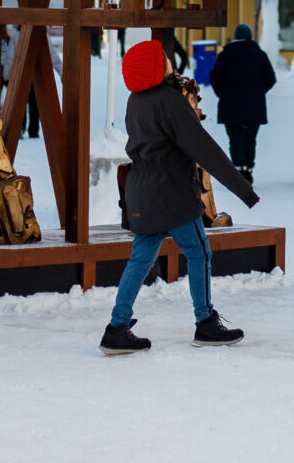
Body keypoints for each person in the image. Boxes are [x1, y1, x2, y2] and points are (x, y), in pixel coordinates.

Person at [100, 39, 258, 356]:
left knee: (140, 259)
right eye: (165, 59)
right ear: (156, 68)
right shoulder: (169, 101)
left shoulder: (136, 100)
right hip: (171, 194)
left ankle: (117, 328)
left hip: (141, 193)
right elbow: (203, 147)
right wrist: (242, 188)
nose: (171, 62)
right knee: (199, 254)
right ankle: (206, 322)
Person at [209, 24, 275, 184]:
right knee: (250, 138)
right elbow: (270, 79)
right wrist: (258, 92)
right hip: (254, 104)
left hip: (230, 104)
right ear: (250, 36)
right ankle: (249, 169)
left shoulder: (225, 55)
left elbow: (215, 78)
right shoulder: (260, 55)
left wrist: (223, 94)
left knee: (235, 138)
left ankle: (239, 170)